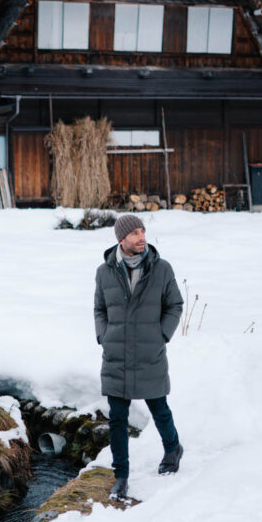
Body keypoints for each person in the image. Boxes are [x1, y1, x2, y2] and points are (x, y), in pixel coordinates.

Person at [93, 214, 184, 501]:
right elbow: (99, 309)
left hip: (149, 352)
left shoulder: (162, 269)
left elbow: (175, 305)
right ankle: (121, 476)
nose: (141, 237)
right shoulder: (105, 272)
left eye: (143, 231)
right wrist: (104, 336)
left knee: (159, 408)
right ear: (121, 239)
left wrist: (162, 335)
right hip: (116, 355)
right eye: (134, 233)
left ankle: (173, 449)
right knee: (117, 419)